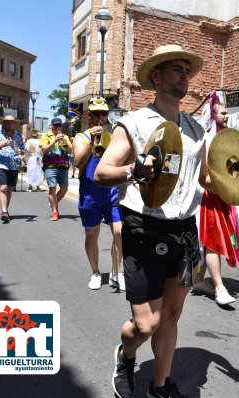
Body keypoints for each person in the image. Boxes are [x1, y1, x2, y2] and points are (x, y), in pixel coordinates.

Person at [94, 44, 210, 398]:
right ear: (156, 77)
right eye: (176, 69)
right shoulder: (133, 123)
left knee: (171, 319)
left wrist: (233, 179)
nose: (184, 76)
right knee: (147, 323)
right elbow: (102, 172)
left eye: (187, 71)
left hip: (184, 230)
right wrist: (133, 170)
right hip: (143, 227)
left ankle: (160, 385)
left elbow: (204, 179)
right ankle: (126, 355)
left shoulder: (196, 129)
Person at [192, 92, 239, 305]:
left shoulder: (226, 136)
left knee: (210, 241)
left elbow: (233, 167)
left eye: (228, 112)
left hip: (222, 196)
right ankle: (220, 288)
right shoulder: (206, 138)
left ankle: (197, 280)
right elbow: (203, 173)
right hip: (208, 196)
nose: (227, 116)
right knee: (212, 242)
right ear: (213, 114)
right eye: (223, 112)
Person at [72, 96, 124, 291]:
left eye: (103, 113)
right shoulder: (80, 137)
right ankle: (95, 272)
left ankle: (116, 272)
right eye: (96, 113)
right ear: (89, 115)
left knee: (120, 232)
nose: (100, 117)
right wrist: (92, 141)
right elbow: (78, 163)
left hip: (111, 192)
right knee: (92, 235)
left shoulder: (112, 137)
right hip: (91, 193)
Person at [0, 115, 26, 223]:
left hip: (14, 165)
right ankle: (4, 211)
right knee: (3, 188)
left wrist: (21, 151)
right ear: (4, 124)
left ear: (14, 124)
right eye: (7, 122)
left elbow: (23, 149)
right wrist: (1, 145)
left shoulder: (19, 135)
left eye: (11, 122)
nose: (9, 124)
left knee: (9, 189)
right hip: (1, 165)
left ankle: (6, 210)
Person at [39, 118, 72, 221]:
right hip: (50, 165)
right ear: (51, 125)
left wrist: (64, 141)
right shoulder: (45, 136)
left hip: (63, 165)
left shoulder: (65, 136)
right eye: (55, 125)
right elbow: (44, 150)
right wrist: (54, 141)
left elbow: (70, 150)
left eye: (59, 125)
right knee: (52, 188)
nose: (57, 127)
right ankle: (54, 211)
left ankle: (54, 202)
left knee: (64, 188)